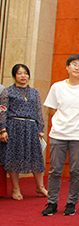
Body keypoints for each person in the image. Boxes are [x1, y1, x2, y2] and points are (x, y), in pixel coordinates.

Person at [42, 55, 79, 216]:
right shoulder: (57, 87)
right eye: (74, 64)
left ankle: (71, 203)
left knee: (76, 171)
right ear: (67, 67)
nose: (77, 68)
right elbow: (51, 109)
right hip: (59, 134)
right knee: (55, 170)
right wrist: (61, 122)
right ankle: (52, 202)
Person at [0, 64, 46, 200]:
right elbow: (3, 111)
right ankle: (16, 188)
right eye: (19, 73)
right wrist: (3, 129)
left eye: (25, 73)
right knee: (14, 158)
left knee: (36, 158)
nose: (23, 76)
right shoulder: (7, 91)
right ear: (14, 75)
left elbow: (38, 111)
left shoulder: (34, 92)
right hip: (14, 127)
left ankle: (40, 186)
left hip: (31, 127)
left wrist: (40, 128)